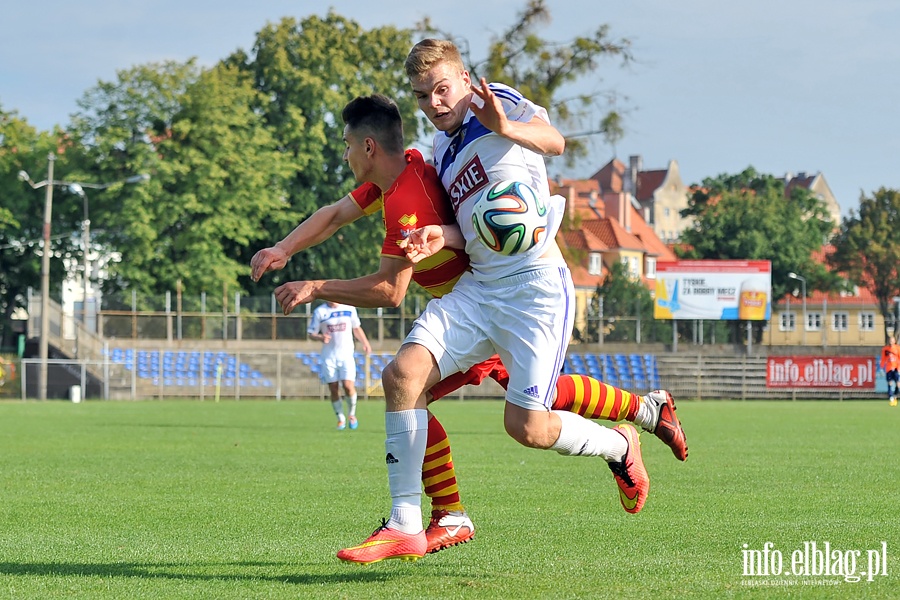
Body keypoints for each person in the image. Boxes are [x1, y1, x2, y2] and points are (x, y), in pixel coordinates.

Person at [251, 94, 686, 560]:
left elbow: (388, 292)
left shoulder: (406, 203)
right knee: (526, 395)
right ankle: (646, 411)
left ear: (369, 146)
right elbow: (336, 213)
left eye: (347, 145)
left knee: (425, 392)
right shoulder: (409, 168)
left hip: (482, 306)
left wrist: (316, 286)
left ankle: (448, 515)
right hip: (474, 304)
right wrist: (285, 247)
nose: (344, 154)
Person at [307, 300, 372, 430]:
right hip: (329, 356)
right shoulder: (320, 311)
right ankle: (340, 418)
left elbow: (356, 327)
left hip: (346, 355)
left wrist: (365, 343)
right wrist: (320, 337)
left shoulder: (349, 308)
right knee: (333, 388)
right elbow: (311, 333)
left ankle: (352, 414)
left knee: (348, 386)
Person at [880, 335, 900, 404]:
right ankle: (891, 396)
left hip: (896, 368)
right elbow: (883, 359)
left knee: (898, 383)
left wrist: (899, 367)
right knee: (890, 382)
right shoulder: (885, 349)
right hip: (889, 368)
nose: (891, 342)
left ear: (894, 341)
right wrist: (882, 367)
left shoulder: (897, 348)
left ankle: (895, 394)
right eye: (890, 340)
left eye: (892, 340)